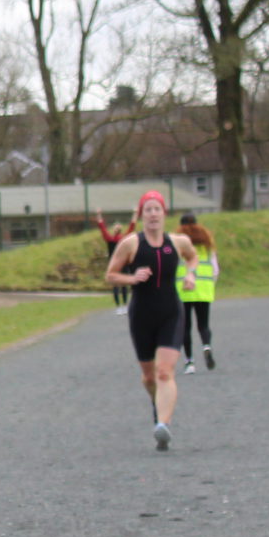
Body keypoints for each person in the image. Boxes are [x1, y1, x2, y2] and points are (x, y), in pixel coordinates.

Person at [105, 190, 198, 451]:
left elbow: (193, 257)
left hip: (170, 312)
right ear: (142, 215)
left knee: (164, 371)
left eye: (158, 209)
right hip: (141, 315)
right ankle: (158, 409)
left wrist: (190, 275)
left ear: (164, 213)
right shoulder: (130, 244)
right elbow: (111, 275)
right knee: (148, 377)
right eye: (149, 210)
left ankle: (163, 425)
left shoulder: (178, 241)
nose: (154, 214)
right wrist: (132, 278)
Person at [175, 215, 218, 375]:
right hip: (204, 288)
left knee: (185, 327)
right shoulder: (207, 245)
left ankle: (189, 362)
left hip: (183, 289)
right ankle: (206, 345)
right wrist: (210, 283)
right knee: (204, 324)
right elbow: (215, 269)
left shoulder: (178, 245)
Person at [95, 215, 130, 314]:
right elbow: (132, 227)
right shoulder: (124, 239)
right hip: (123, 263)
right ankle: (124, 306)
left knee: (115, 286)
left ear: (115, 230)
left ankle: (119, 307)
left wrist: (99, 219)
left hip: (114, 264)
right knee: (123, 286)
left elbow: (103, 229)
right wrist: (135, 215)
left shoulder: (110, 239)